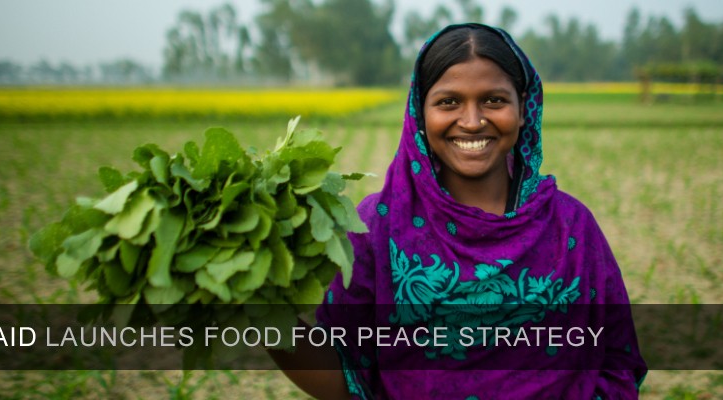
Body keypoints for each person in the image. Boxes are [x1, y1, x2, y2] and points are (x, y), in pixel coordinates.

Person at [270, 23, 647, 399]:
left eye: (494, 101)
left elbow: (617, 362)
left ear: (523, 110)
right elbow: (345, 375)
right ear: (420, 113)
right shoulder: (378, 227)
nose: (471, 121)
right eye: (448, 102)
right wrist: (263, 310)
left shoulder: (570, 226)